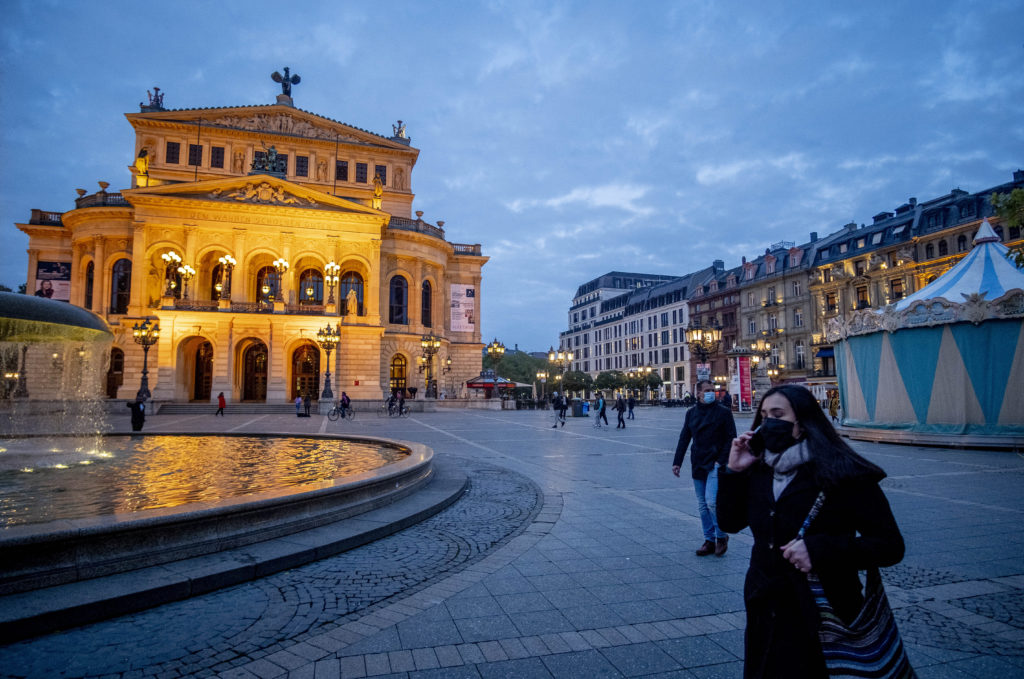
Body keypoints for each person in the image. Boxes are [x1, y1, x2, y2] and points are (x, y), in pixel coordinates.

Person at [717, 385, 906, 678]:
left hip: (823, 609)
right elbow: (730, 523)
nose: (769, 423)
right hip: (765, 604)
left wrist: (819, 549)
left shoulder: (843, 472)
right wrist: (733, 472)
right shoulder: (761, 467)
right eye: (764, 415)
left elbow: (890, 545)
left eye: (778, 415)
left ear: (802, 422)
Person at [672, 380, 736, 557]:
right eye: (707, 390)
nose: (711, 393)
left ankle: (721, 537)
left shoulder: (723, 412)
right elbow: (685, 437)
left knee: (711, 502)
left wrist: (720, 461)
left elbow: (731, 437)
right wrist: (677, 462)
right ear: (698, 393)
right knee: (702, 505)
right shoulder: (691, 413)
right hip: (698, 461)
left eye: (712, 390)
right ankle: (709, 540)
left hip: (715, 463)